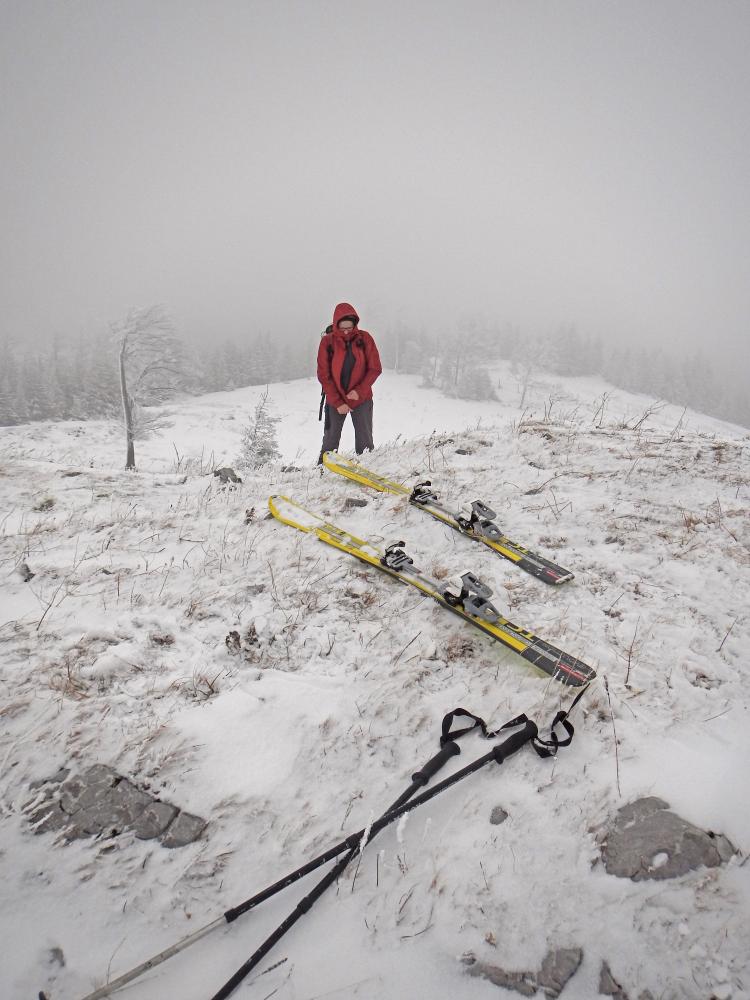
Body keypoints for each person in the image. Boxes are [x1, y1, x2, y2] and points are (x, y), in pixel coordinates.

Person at [317, 302, 382, 464]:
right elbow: (324, 375)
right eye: (342, 327)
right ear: (336, 324)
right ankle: (323, 471)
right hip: (335, 401)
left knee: (365, 442)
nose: (346, 331)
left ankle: (367, 468)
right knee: (330, 443)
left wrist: (358, 392)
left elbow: (375, 368)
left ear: (355, 324)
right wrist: (338, 402)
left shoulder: (365, 338)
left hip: (362, 399)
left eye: (350, 327)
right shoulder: (327, 342)